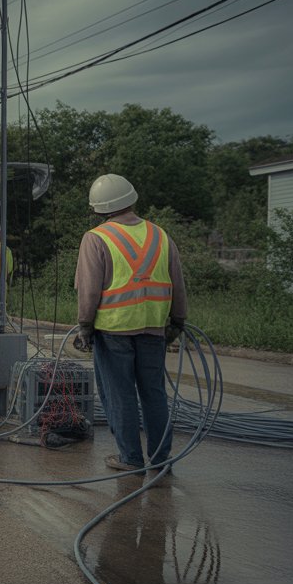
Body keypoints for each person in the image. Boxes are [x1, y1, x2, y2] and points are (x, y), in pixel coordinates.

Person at [73, 174, 187, 474]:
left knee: (120, 394)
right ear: (132, 199)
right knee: (154, 393)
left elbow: (88, 289)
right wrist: (178, 320)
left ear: (98, 208)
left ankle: (130, 459)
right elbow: (178, 282)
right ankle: (161, 461)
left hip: (114, 330)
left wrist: (85, 326)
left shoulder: (96, 237)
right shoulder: (161, 235)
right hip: (154, 328)